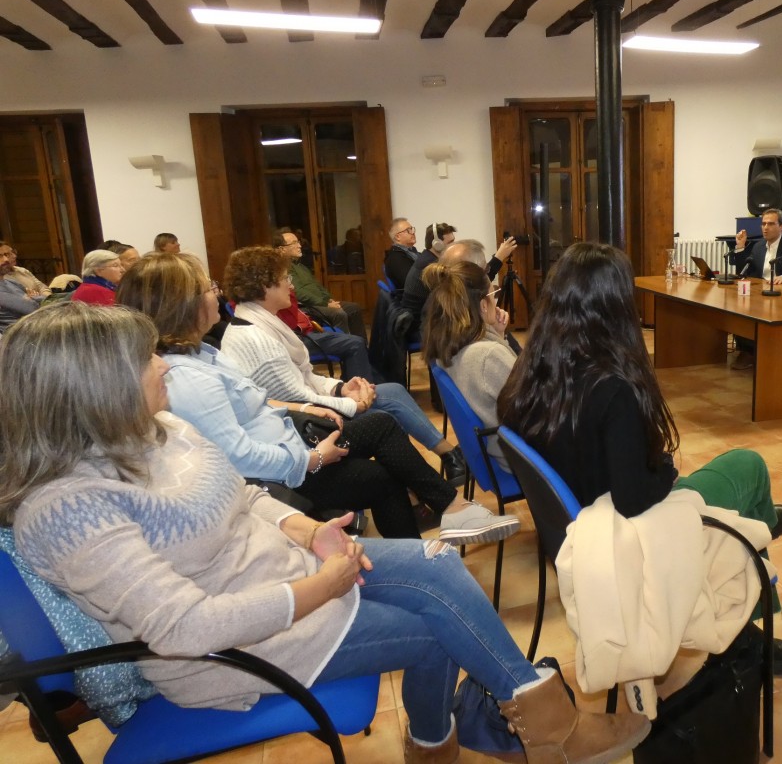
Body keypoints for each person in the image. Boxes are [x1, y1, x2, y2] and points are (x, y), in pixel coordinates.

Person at [0, 302, 651, 762]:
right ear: (93, 388)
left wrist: (309, 529)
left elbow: (246, 496)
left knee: (441, 567)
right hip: (226, 653)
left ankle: (485, 734)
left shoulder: (158, 431)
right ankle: (515, 736)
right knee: (435, 630)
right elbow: (186, 630)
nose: (165, 366)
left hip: (285, 571)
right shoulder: (67, 509)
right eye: (146, 360)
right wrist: (325, 583)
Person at [498, 242, 782, 677]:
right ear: (616, 305)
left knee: (745, 504)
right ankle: (750, 633)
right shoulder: (611, 389)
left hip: (577, 525)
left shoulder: (527, 375)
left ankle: (756, 527)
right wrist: (666, 470)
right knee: (748, 464)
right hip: (626, 529)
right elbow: (633, 498)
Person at [117, 252, 514, 546]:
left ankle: (428, 537)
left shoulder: (202, 352)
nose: (216, 295)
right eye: (207, 288)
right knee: (381, 437)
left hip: (291, 440)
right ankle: (445, 510)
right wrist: (314, 454)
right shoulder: (188, 374)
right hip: (285, 470)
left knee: (381, 452)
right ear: (181, 304)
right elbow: (237, 457)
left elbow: (270, 399)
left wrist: (317, 404)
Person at [423, 260, 515, 471]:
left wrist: (498, 335)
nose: (496, 300)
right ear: (483, 305)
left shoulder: (450, 344)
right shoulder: (488, 355)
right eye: (494, 295)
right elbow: (532, 406)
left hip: (496, 448)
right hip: (520, 458)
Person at [728, 208, 782, 370]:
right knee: (736, 309)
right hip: (761, 294)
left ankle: (758, 352)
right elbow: (745, 271)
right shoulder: (758, 247)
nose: (765, 228)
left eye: (771, 224)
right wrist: (741, 247)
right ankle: (748, 351)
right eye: (763, 224)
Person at [273, 230, 366, 344]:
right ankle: (342, 347)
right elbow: (299, 293)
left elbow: (316, 285)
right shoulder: (284, 268)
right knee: (338, 313)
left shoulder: (299, 265)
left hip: (319, 303)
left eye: (299, 242)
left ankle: (362, 346)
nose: (300, 245)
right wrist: (325, 303)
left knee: (353, 308)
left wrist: (328, 299)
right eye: (294, 243)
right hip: (306, 307)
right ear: (282, 249)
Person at [0, 239, 45, 333]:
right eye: (0, 256)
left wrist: (32, 298)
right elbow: (33, 308)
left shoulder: (11, 282)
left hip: (37, 326)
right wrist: (31, 299)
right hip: (22, 336)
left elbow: (39, 299)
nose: (6, 260)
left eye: (6, 255)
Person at [384, 217, 419, 291]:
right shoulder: (396, 258)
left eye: (412, 229)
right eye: (408, 230)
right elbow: (412, 284)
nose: (413, 232)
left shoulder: (412, 252)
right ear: (397, 237)